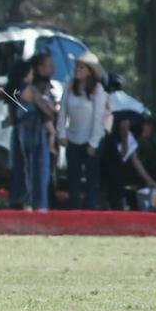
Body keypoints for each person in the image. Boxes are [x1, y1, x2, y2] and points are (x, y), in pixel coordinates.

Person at [57, 51, 109, 210]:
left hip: (90, 140)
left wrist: (93, 143)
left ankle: (90, 210)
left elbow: (98, 117)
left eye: (81, 67)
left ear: (89, 71)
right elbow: (63, 111)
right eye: (76, 66)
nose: (77, 70)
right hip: (73, 138)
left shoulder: (98, 90)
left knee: (91, 179)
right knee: (73, 178)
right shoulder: (70, 85)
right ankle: (74, 210)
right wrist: (62, 133)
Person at [8, 53, 57, 211]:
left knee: (24, 167)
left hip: (23, 130)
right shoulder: (27, 89)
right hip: (33, 130)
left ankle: (24, 201)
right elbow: (48, 111)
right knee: (37, 168)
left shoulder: (15, 89)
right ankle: (38, 204)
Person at [100, 110, 156, 210]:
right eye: (148, 133)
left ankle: (112, 206)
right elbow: (124, 124)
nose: (145, 137)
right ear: (148, 127)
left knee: (113, 179)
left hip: (109, 143)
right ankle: (116, 208)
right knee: (114, 179)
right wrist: (124, 144)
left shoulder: (134, 133)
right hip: (106, 140)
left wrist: (151, 182)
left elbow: (135, 159)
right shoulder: (138, 121)